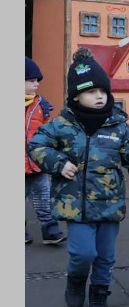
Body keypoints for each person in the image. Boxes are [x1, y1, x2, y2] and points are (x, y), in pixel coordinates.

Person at [27, 48, 129, 307]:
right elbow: (36, 145)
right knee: (82, 253)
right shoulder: (62, 124)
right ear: (76, 96)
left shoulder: (118, 127)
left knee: (106, 256)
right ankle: (76, 280)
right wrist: (58, 163)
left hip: (109, 205)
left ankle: (99, 291)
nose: (99, 96)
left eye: (103, 91)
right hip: (75, 206)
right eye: (91, 92)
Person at [25, 56, 65, 246]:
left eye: (37, 81)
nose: (36, 84)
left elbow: (49, 130)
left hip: (37, 163)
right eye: (31, 80)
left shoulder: (41, 105)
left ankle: (51, 232)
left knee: (45, 198)